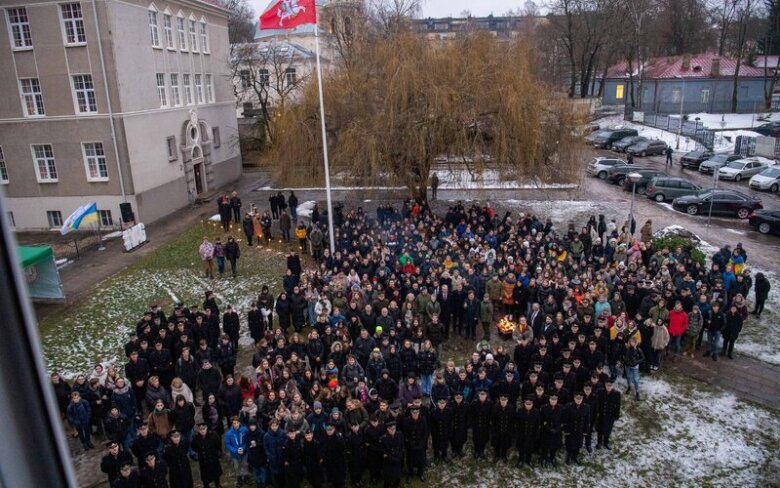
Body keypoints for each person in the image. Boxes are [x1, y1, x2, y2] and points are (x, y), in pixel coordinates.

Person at [192, 423, 223, 488]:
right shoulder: (196, 438)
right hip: (203, 459)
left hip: (213, 457)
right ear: (198, 430)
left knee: (215, 472)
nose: (202, 431)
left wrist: (217, 452)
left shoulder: (213, 435)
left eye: (204, 429)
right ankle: (206, 485)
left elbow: (218, 444)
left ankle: (217, 484)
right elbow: (194, 447)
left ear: (206, 428)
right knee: (205, 475)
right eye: (200, 429)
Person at [224, 416, 250, 485]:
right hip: (235, 454)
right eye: (234, 423)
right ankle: (239, 479)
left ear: (239, 422)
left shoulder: (245, 430)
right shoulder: (229, 433)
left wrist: (244, 448)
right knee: (237, 466)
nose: (236, 425)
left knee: (245, 464)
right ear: (232, 424)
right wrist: (235, 450)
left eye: (237, 423)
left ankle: (246, 477)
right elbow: (227, 444)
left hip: (244, 452)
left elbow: (247, 440)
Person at [596, 379, 621, 450]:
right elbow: (597, 403)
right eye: (607, 385)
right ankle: (599, 442)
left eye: (610, 385)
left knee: (608, 429)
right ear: (605, 385)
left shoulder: (617, 394)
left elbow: (618, 405)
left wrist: (617, 415)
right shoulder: (600, 392)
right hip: (602, 414)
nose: (608, 387)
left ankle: (606, 442)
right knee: (600, 429)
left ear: (612, 386)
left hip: (610, 415)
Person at [379, 421, 404, 488]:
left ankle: (396, 485)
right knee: (388, 477)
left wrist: (399, 456)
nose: (393, 430)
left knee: (397, 474)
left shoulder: (400, 434)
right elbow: (384, 452)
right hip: (388, 461)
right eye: (391, 429)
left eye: (394, 429)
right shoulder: (383, 439)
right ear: (387, 429)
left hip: (398, 459)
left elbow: (402, 446)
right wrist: (393, 459)